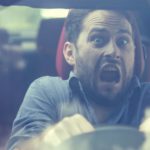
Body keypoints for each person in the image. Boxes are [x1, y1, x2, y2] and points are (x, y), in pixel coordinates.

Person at [7, 9, 150, 150]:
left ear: (135, 54)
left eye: (123, 41)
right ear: (70, 53)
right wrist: (43, 142)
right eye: (98, 39)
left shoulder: (147, 97)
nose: (113, 52)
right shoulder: (47, 91)